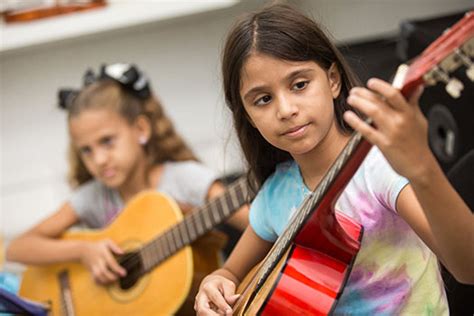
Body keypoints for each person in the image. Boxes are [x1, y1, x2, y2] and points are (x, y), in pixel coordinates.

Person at [194, 4, 473, 315]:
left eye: (299, 85)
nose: (285, 109)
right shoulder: (275, 195)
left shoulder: (377, 169)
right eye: (263, 99)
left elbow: (469, 268)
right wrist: (216, 281)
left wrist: (422, 169)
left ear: (333, 80)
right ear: (247, 115)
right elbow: (230, 273)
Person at [6, 63, 249, 285]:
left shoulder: (186, 179)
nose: (99, 160)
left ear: (141, 130)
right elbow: (17, 248)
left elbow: (259, 225)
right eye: (86, 150)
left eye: (107, 141)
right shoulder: (94, 197)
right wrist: (83, 251)